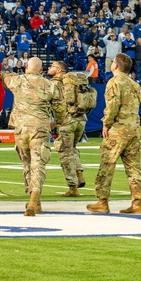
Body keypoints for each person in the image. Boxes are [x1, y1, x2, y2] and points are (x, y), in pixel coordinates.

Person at [2, 57, 65, 216]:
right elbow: (60, 110)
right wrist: (56, 122)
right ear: (41, 69)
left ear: (26, 67)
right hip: (40, 129)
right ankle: (34, 201)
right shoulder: (50, 85)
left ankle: (34, 200)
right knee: (38, 165)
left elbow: (2, 76)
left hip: (21, 130)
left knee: (28, 165)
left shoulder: (18, 81)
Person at [88, 53, 141, 215]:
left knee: (107, 164)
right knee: (134, 167)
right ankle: (137, 202)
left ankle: (102, 201)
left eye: (113, 62)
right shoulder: (135, 84)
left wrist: (106, 123)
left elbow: (113, 106)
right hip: (134, 129)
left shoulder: (114, 82)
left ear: (116, 66)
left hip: (118, 129)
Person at [50, 61, 89, 196]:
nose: (49, 68)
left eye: (52, 67)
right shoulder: (74, 81)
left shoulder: (55, 83)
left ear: (59, 69)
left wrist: (55, 121)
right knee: (71, 148)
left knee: (64, 152)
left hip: (66, 121)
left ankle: (73, 187)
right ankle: (79, 174)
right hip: (81, 119)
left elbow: (53, 104)